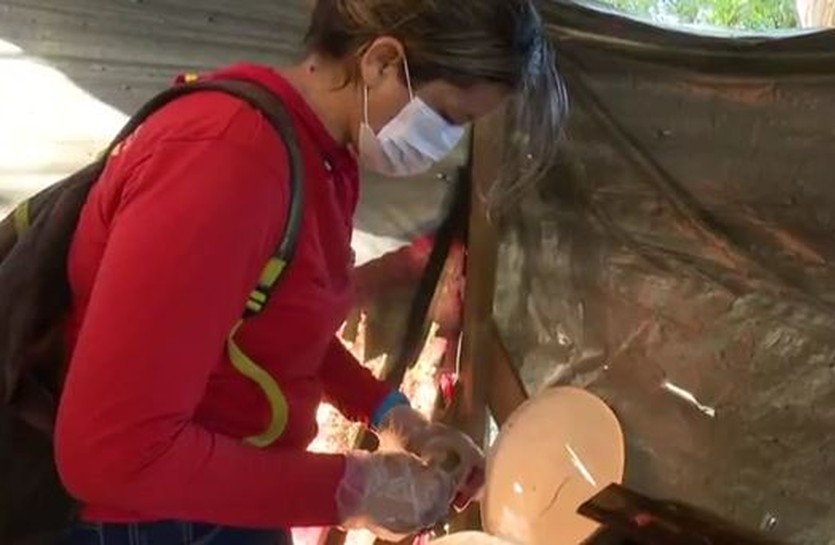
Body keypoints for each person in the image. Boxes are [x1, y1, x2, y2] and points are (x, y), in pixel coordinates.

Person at [53, 0, 567, 543]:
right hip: (150, 518)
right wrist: (351, 488)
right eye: (449, 117)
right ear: (382, 63)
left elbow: (275, 326)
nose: (446, 144)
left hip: (220, 496)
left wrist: (395, 418)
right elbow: (113, 457)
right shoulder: (227, 158)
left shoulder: (319, 157)